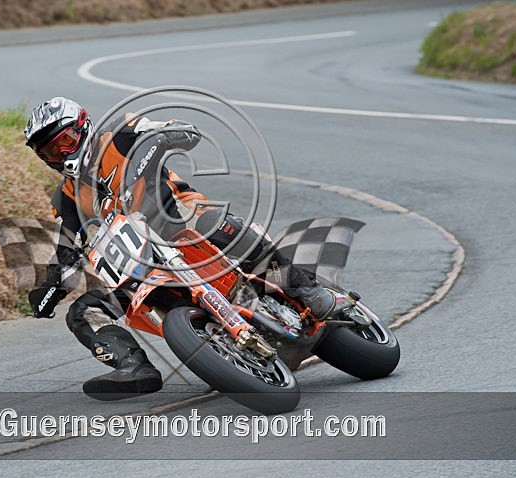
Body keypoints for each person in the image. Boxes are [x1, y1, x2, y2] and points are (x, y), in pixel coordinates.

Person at [24, 97, 335, 400]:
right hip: (140, 265)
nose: (61, 154)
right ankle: (133, 367)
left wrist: (165, 138)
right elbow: (67, 247)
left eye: (64, 141)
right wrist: (51, 286)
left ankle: (304, 288)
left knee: (219, 224)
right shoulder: (66, 198)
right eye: (50, 151)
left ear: (83, 127)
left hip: (182, 219)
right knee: (83, 311)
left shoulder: (120, 133)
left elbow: (182, 129)